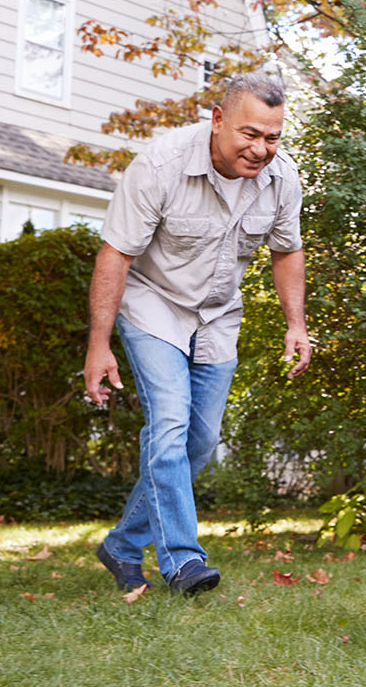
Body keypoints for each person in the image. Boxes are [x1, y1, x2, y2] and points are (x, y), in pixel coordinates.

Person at [84, 71, 311, 596]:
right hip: (153, 305)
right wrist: (98, 345)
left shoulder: (282, 181)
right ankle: (183, 561)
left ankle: (121, 546)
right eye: (249, 134)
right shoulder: (161, 166)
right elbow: (115, 254)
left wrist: (295, 324)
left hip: (217, 314)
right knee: (168, 425)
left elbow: (286, 250)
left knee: (199, 442)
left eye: (272, 137)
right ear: (216, 121)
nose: (260, 149)